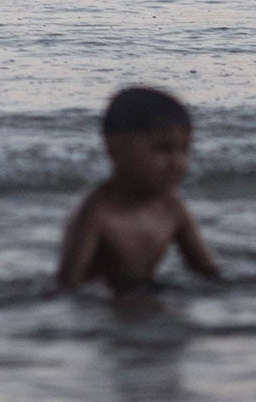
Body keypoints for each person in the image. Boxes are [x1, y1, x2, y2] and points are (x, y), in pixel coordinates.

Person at [57, 87, 221, 293]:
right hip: (106, 306)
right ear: (114, 148)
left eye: (184, 149)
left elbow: (208, 273)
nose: (177, 162)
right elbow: (68, 287)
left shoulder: (171, 207)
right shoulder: (98, 212)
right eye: (163, 149)